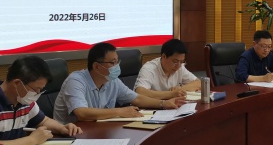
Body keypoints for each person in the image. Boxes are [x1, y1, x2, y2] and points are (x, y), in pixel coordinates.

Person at [53, 42, 186, 123]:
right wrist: (120, 111)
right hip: (67, 135)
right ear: (97, 66)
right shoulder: (76, 81)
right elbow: (81, 113)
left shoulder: (112, 81)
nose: (117, 66)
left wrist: (163, 104)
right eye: (112, 63)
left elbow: (137, 99)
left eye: (117, 62)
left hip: (96, 129)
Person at [0, 56, 82, 145]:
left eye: (40, 90)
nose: (37, 94)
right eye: (36, 89)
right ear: (17, 83)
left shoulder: (23, 100)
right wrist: (33, 139)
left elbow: (43, 121)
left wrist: (62, 128)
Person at [134, 38, 201, 99]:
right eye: (175, 61)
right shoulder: (149, 68)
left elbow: (198, 83)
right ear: (164, 56)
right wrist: (171, 94)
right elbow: (140, 92)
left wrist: (180, 89)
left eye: (181, 61)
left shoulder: (180, 67)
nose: (178, 65)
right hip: (152, 107)